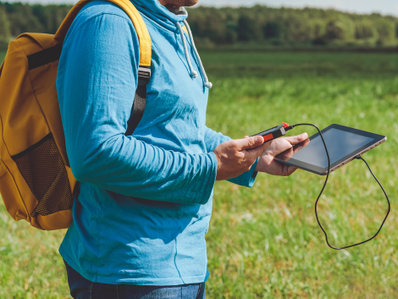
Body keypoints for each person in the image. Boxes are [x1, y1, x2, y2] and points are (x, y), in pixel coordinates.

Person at [56, 0, 309, 297]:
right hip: (130, 268)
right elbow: (95, 153)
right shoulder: (107, 23)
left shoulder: (172, 22)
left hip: (182, 260)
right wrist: (211, 167)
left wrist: (257, 156)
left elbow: (177, 128)